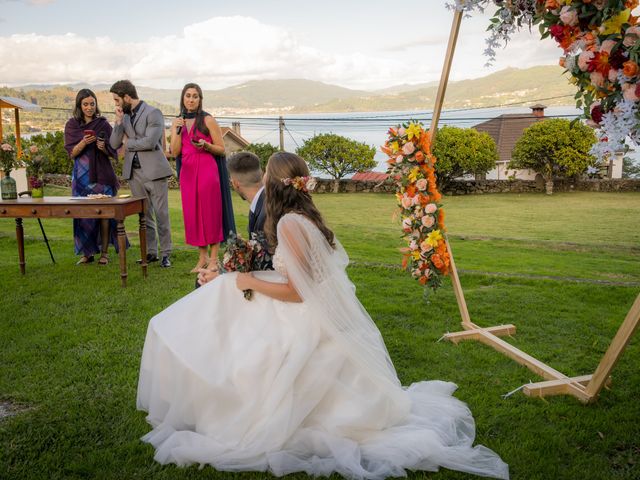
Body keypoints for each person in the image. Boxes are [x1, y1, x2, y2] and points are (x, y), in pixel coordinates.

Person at [137, 152, 509, 480]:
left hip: (303, 313)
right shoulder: (303, 216)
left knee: (243, 338)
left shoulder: (289, 224)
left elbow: (297, 292)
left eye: (267, 174)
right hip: (307, 303)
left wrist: (248, 279)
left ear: (274, 181)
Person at [109, 80, 173, 268]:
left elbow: (150, 142)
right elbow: (114, 144)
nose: (116, 104)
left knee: (161, 214)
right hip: (133, 172)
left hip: (154, 172)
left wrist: (129, 143)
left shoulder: (154, 113)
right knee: (144, 216)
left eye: (117, 100)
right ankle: (151, 252)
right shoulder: (125, 117)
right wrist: (119, 123)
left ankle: (166, 254)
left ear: (127, 97)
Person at [170, 83, 226, 273]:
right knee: (193, 215)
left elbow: (222, 149)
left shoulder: (208, 120)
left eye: (195, 96)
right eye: (188, 96)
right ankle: (201, 258)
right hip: (187, 171)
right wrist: (177, 131)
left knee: (210, 212)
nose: (191, 99)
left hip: (207, 170)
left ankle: (213, 258)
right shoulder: (176, 122)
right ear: (183, 98)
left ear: (200, 100)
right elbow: (175, 151)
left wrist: (207, 146)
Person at [64, 89, 122, 265]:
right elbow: (72, 153)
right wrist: (83, 142)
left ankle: (104, 253)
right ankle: (87, 253)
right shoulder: (72, 125)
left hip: (102, 176)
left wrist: (103, 147)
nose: (89, 107)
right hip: (81, 177)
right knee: (83, 214)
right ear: (79, 106)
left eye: (92, 103)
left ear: (96, 104)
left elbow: (114, 150)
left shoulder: (103, 124)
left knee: (104, 214)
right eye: (85, 104)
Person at [197, 151, 270, 287]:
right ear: (261, 174)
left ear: (235, 183)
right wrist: (223, 270)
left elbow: (266, 266)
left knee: (203, 284)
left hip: (267, 282)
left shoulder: (266, 212)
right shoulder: (263, 202)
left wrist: (222, 276)